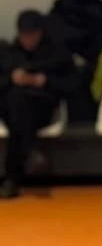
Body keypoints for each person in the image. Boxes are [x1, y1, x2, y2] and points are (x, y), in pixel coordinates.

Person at [0, 10, 75, 199]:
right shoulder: (10, 54)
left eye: (32, 35)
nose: (28, 40)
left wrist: (42, 81)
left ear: (41, 33)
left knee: (19, 111)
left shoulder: (57, 54)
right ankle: (30, 150)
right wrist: (11, 79)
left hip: (41, 107)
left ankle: (13, 178)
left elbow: (72, 85)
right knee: (17, 102)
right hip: (11, 108)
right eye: (24, 35)